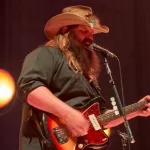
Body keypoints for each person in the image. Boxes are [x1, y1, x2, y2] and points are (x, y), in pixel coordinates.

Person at [17, 5, 150, 150]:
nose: (90, 38)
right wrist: (67, 114)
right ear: (65, 31)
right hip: (45, 144)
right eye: (84, 31)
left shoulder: (86, 74)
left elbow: (99, 118)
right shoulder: (47, 54)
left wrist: (136, 109)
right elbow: (29, 88)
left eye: (92, 33)